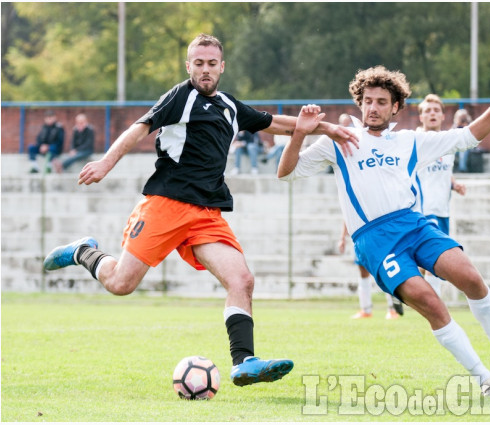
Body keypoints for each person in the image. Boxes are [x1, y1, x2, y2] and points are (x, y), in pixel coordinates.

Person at [42, 33, 357, 388]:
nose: (205, 70)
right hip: (165, 204)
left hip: (206, 213)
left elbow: (276, 123)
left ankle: (244, 362)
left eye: (211, 64)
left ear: (221, 67)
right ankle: (83, 251)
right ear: (188, 65)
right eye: (198, 63)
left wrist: (328, 128)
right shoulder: (180, 97)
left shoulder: (230, 105)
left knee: (242, 280)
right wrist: (106, 162)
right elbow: (138, 128)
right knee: (120, 283)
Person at [277, 66, 490, 396]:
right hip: (375, 240)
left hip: (414, 224)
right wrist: (301, 133)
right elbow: (286, 173)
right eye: (367, 101)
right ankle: (484, 379)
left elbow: (470, 136)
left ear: (395, 108)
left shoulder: (408, 141)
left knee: (471, 277)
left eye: (381, 102)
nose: (373, 108)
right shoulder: (338, 142)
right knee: (429, 302)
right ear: (360, 104)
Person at [413, 94, 467, 297]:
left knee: (429, 262)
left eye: (436, 110)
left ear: (443, 116)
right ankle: (432, 302)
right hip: (420, 211)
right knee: (436, 258)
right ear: (421, 117)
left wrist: (455, 185)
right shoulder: (414, 142)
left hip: (443, 210)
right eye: (427, 110)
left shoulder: (449, 143)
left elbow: (444, 171)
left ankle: (404, 292)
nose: (432, 113)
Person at [339, 221, 403, 320]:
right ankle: (365, 309)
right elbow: (346, 214)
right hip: (359, 235)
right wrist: (342, 237)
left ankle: (392, 309)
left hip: (378, 233)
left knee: (385, 269)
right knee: (363, 272)